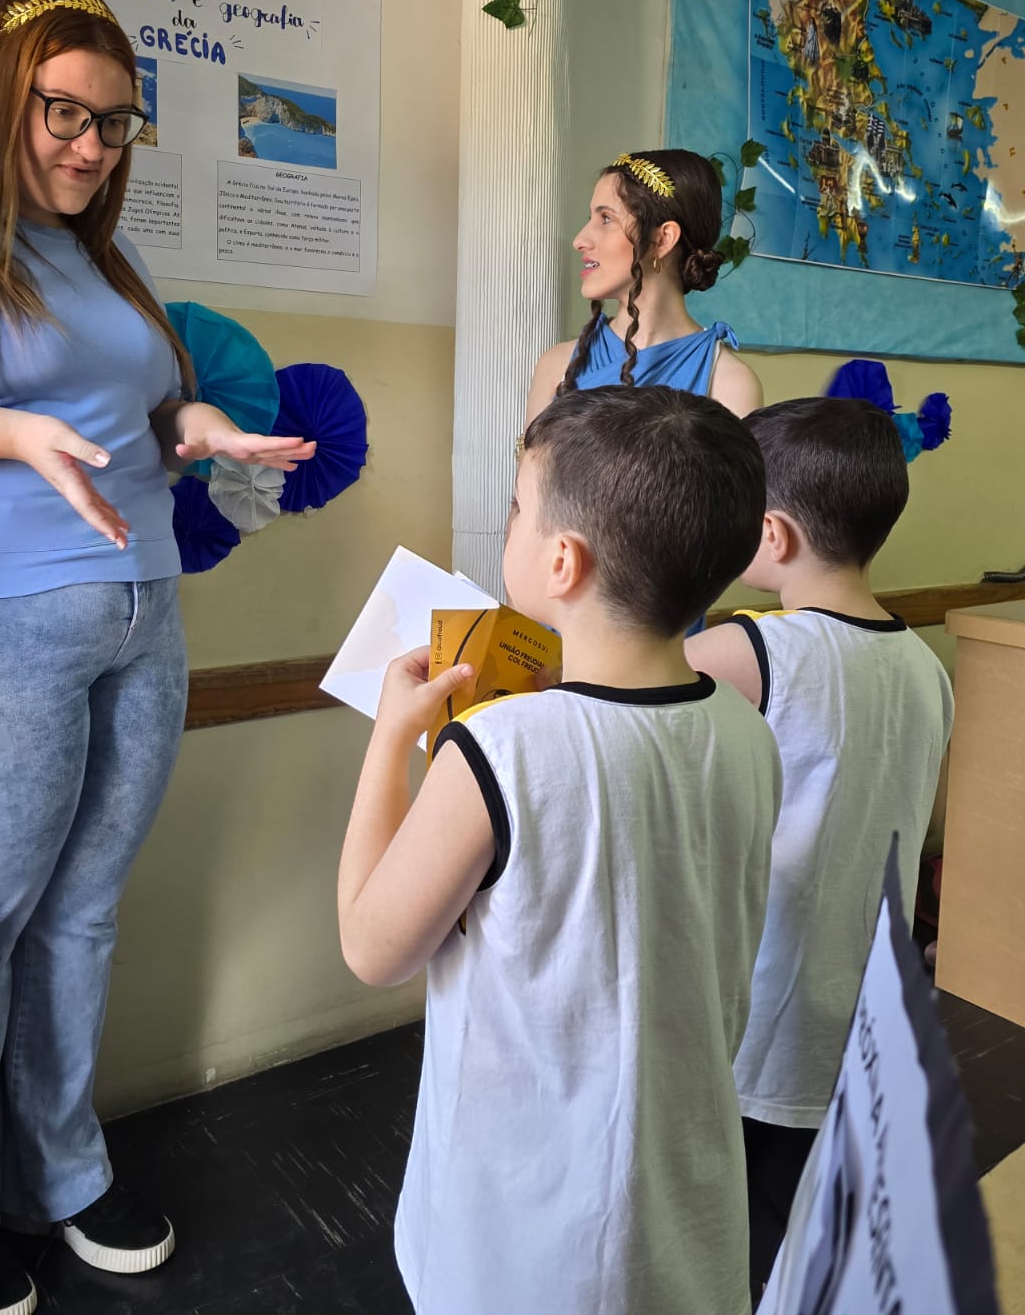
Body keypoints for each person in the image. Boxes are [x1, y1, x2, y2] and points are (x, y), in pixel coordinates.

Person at [0, 0, 314, 1315]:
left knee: (80, 917)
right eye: (62, 113)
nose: (88, 146)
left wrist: (200, 427)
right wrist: (7, 433)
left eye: (114, 121)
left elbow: (143, 410)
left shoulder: (97, 250)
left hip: (144, 614)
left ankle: (62, 1175)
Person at [338, 385, 782, 1314]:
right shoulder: (747, 726)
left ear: (562, 561)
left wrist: (390, 737)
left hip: (524, 1226)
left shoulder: (499, 746)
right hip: (682, 1197)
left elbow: (374, 948)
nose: (508, 523)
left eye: (516, 508)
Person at [685, 397, 953, 1306]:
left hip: (764, 1018)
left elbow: (612, 698)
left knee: (739, 1241)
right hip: (870, 1010)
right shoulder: (927, 669)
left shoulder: (752, 649)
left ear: (772, 533)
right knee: (816, 1233)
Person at [525, 148, 762, 425]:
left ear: (663, 239)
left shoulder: (729, 384)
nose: (580, 240)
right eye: (591, 218)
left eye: (606, 218)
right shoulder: (556, 364)